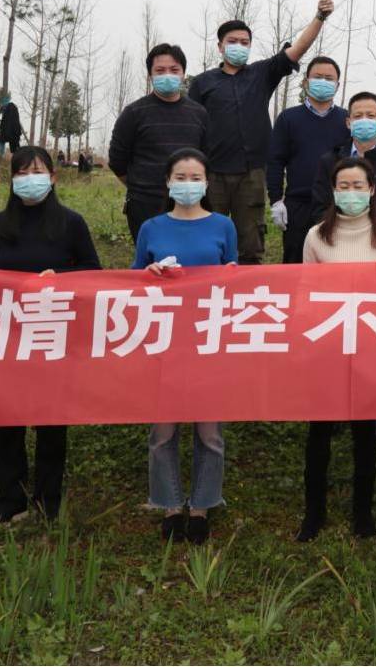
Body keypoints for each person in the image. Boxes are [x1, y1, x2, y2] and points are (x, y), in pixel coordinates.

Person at [0, 146, 102, 523]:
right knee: (7, 419)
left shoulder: (71, 223)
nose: (28, 179)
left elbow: (92, 271)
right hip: (12, 334)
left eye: (36, 172)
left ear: (53, 177)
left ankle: (47, 499)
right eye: (20, 173)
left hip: (54, 332)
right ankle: (11, 497)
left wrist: (60, 279)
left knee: (51, 420)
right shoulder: (0, 223)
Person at [298, 156, 376, 541]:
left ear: (373, 189)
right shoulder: (315, 236)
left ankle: (363, 513)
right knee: (319, 434)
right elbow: (305, 295)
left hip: (370, 347)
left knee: (365, 434)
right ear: (332, 190)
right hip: (327, 347)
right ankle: (314, 513)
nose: (351, 193)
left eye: (358, 186)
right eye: (343, 186)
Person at [133, 148, 238, 545]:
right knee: (163, 431)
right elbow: (132, 279)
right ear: (167, 183)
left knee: (209, 432)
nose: (188, 184)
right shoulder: (151, 227)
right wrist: (150, 273)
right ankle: (170, 504)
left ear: (207, 183)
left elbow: (236, 277)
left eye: (195, 178)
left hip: (208, 339)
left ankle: (202, 505)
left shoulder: (222, 226)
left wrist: (230, 277)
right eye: (180, 177)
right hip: (164, 339)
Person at [188, 0, 333, 264]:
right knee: (208, 239)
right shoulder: (202, 83)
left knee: (251, 243)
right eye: (233, 42)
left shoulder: (261, 73)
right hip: (212, 173)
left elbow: (298, 49)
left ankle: (247, 293)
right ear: (220, 46)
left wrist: (319, 18)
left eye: (245, 42)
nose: (239, 46)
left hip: (252, 173)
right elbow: (192, 127)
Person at [109, 43, 210, 241]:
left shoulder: (199, 113)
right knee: (153, 261)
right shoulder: (134, 113)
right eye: (160, 70)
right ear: (150, 75)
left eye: (174, 70)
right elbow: (117, 160)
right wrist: (141, 187)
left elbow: (206, 156)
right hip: (145, 204)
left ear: (183, 73)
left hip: (189, 201)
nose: (167, 75)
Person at [266, 56, 352, 263]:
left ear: (337, 85)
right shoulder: (288, 118)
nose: (323, 81)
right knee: (296, 261)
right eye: (317, 77)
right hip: (298, 204)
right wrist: (276, 199)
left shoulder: (347, 120)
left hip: (338, 204)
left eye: (329, 78)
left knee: (336, 260)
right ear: (306, 81)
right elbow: (276, 161)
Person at [311, 91, 376, 228]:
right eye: (358, 116)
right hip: (337, 239)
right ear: (348, 122)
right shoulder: (329, 161)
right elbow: (320, 207)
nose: (364, 120)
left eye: (371, 116)